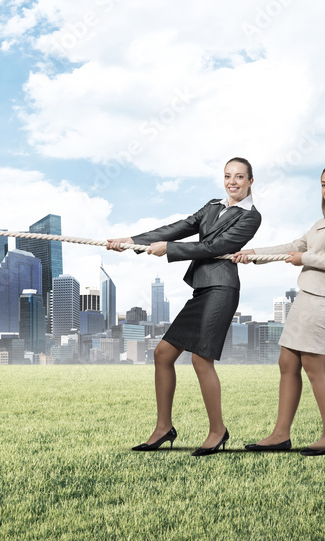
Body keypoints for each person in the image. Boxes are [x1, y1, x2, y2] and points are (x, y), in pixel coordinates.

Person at [107, 157, 261, 456]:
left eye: (240, 177)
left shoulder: (251, 217)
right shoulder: (213, 206)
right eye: (228, 176)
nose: (233, 182)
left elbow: (214, 248)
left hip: (221, 289)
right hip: (202, 288)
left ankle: (218, 431)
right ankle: (164, 428)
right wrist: (132, 241)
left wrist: (170, 250)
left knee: (201, 360)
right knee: (163, 353)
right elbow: (181, 226)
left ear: (250, 181)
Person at [231, 163, 325, 456]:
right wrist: (254, 254)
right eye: (323, 184)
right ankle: (280, 434)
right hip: (305, 297)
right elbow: (294, 245)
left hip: (321, 298)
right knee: (287, 363)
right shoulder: (323, 222)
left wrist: (307, 258)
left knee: (315, 367)